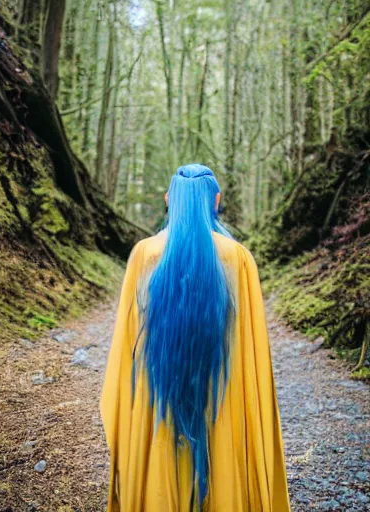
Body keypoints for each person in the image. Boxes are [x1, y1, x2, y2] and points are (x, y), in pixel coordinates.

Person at [101, 164, 290, 511]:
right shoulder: (237, 257)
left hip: (156, 401)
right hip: (224, 399)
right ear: (215, 201)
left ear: (169, 200)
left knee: (160, 454)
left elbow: (126, 347)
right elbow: (253, 352)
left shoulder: (145, 253)